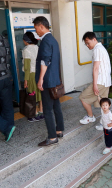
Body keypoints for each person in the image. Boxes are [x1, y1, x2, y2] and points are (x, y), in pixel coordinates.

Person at [33, 16, 64, 146]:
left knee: (47, 109)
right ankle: (59, 130)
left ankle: (52, 137)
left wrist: (40, 79)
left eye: (36, 29)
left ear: (41, 26)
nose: (36, 32)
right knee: (56, 105)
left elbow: (45, 61)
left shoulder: (45, 41)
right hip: (55, 80)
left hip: (47, 81)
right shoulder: (53, 40)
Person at [79, 32, 112, 125]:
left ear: (94, 39)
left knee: (83, 97)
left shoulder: (97, 49)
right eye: (86, 44)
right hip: (106, 81)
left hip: (100, 82)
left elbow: (96, 68)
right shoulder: (102, 48)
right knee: (104, 104)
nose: (87, 45)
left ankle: (90, 117)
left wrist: (94, 85)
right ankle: (106, 123)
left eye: (88, 42)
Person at [22, 32, 44, 122]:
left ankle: (34, 114)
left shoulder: (26, 50)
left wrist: (25, 80)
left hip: (31, 74)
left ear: (25, 41)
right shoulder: (37, 48)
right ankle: (41, 112)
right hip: (38, 73)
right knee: (39, 93)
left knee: (32, 93)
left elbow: (27, 67)